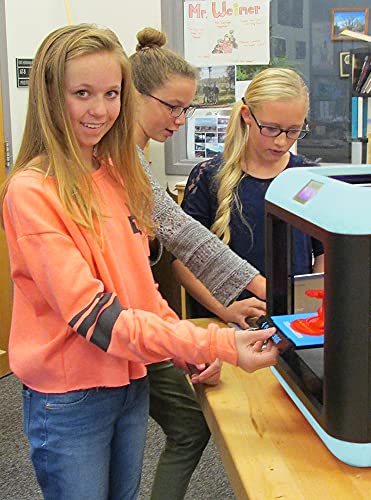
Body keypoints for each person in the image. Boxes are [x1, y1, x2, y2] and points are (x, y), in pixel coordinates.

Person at [0, 24, 278, 500]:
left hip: (128, 379)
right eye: (82, 93)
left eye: (111, 93)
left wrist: (187, 347)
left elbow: (141, 294)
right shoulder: (31, 192)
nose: (100, 110)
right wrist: (219, 342)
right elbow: (98, 318)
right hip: (71, 397)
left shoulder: (115, 173)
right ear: (49, 96)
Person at [129, 27, 266, 500]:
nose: (181, 120)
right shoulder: (122, 162)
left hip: (144, 320)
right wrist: (261, 286)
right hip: (121, 331)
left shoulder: (136, 157)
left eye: (186, 109)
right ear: (134, 93)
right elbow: (185, 236)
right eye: (173, 107)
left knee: (186, 427)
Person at [172, 67, 324, 319]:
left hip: (293, 320)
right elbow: (182, 261)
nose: (281, 142)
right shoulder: (208, 176)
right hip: (225, 323)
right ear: (247, 115)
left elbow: (323, 253)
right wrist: (224, 310)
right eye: (271, 128)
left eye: (293, 131)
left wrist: (312, 307)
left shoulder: (309, 180)